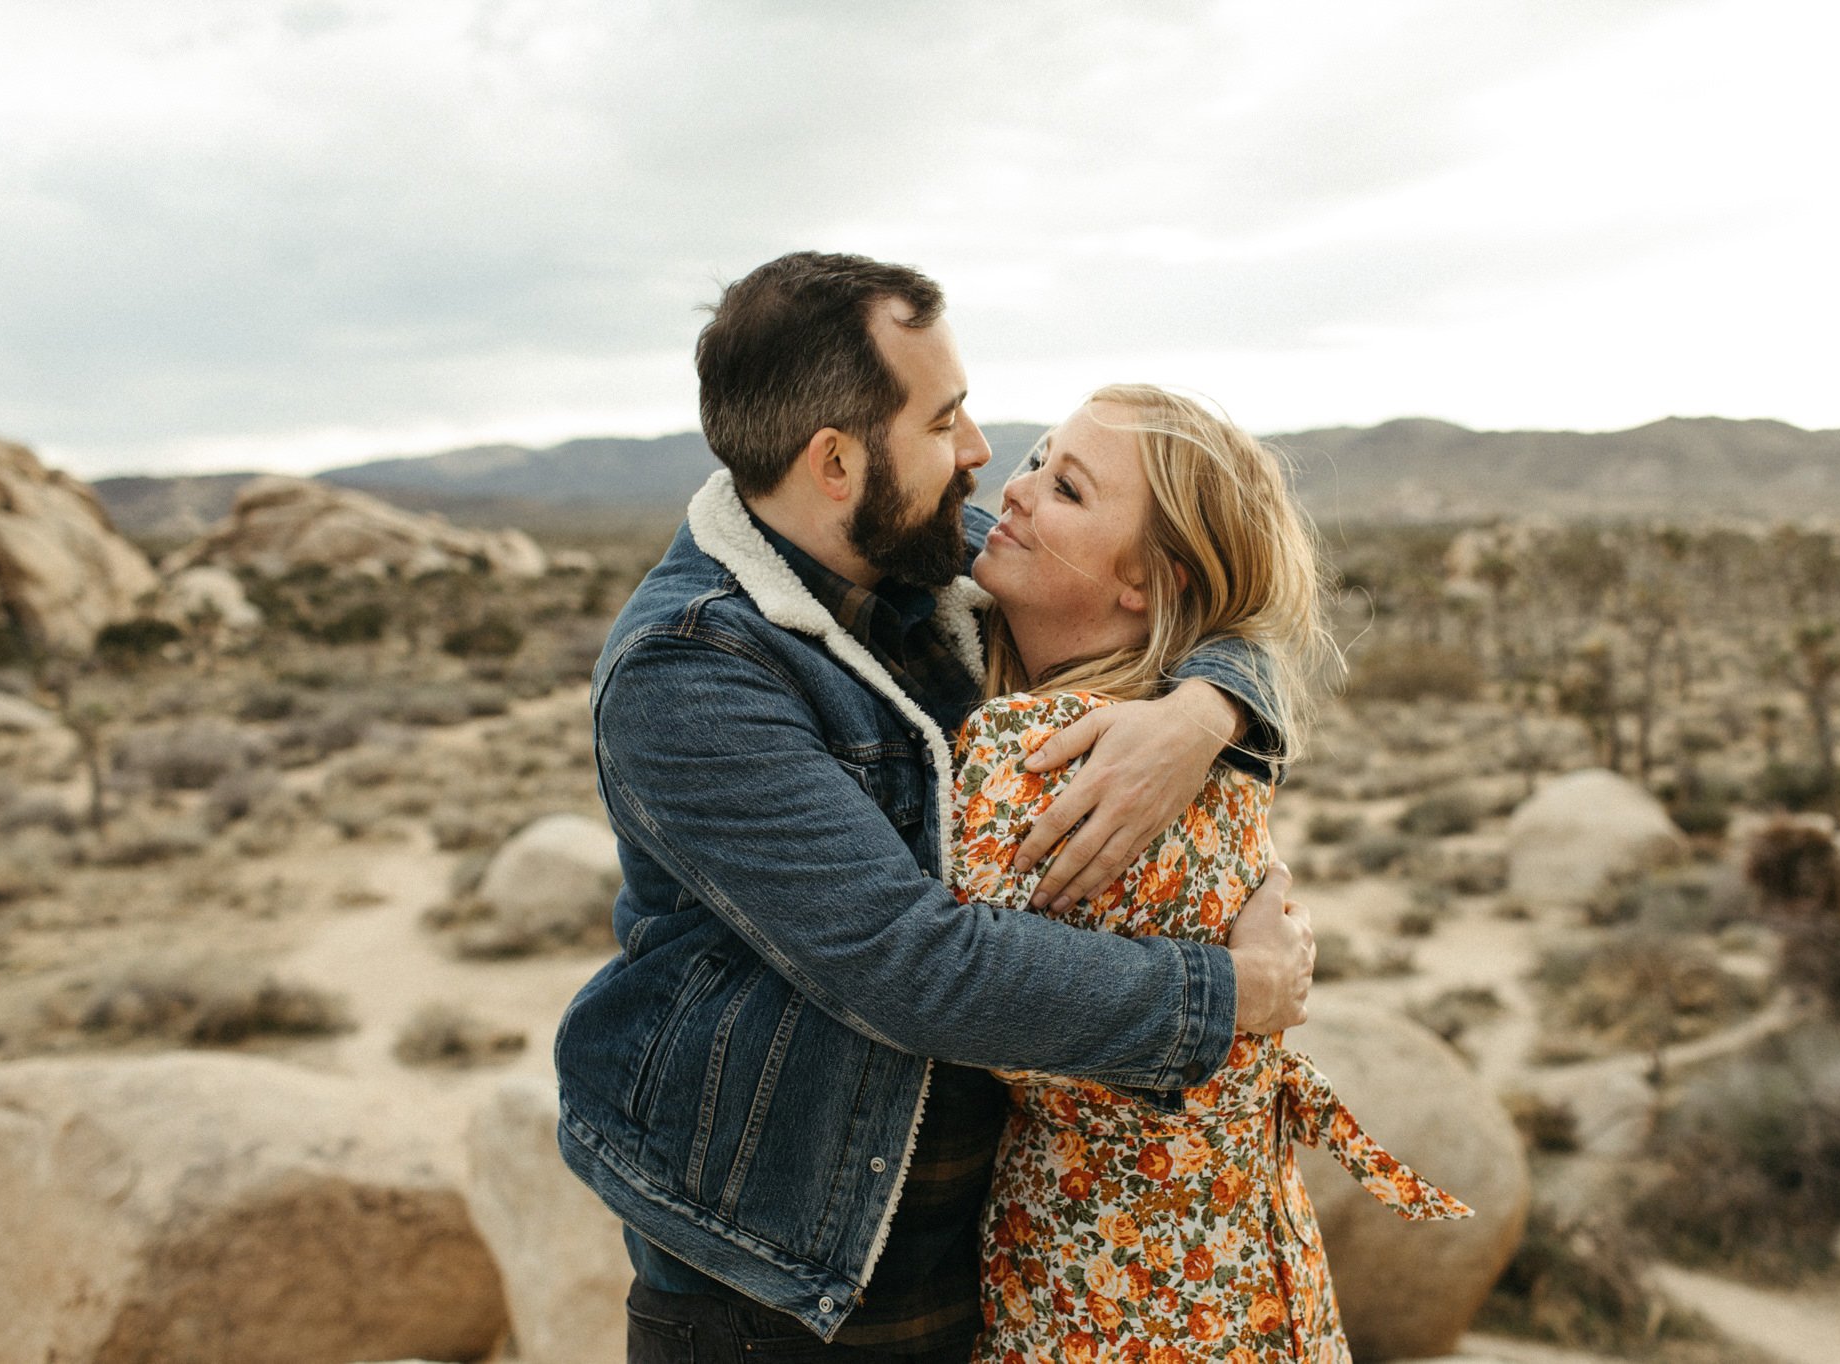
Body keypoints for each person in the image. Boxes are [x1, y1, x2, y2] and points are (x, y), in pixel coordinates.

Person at [553, 252, 1317, 1364]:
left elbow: (1199, 587)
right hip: (778, 1284)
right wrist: (1224, 994)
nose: (980, 459)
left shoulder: (898, 542)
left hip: (964, 1244)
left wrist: (1201, 711)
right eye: (945, 417)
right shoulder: (692, 665)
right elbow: (907, 961)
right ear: (834, 461)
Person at [953, 387, 1472, 1364]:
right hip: (1247, 1264)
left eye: (1062, 485)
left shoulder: (1030, 755)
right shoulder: (1214, 751)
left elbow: (942, 977)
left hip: (1105, 1288)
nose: (1010, 492)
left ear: (1147, 581)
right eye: (1034, 458)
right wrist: (1212, 706)